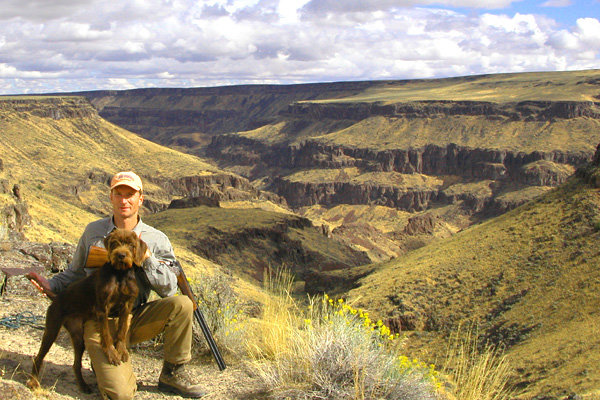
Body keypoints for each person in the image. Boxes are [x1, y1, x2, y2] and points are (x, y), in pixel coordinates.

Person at [27, 171, 205, 400]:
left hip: (135, 315)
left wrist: (147, 259)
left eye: (130, 195)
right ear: (110, 197)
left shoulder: (157, 238)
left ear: (140, 198)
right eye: (118, 194)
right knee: (119, 394)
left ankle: (173, 372)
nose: (124, 200)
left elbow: (169, 288)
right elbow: (75, 273)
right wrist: (50, 283)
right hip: (98, 319)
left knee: (182, 304)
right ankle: (107, 366)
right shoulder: (93, 232)